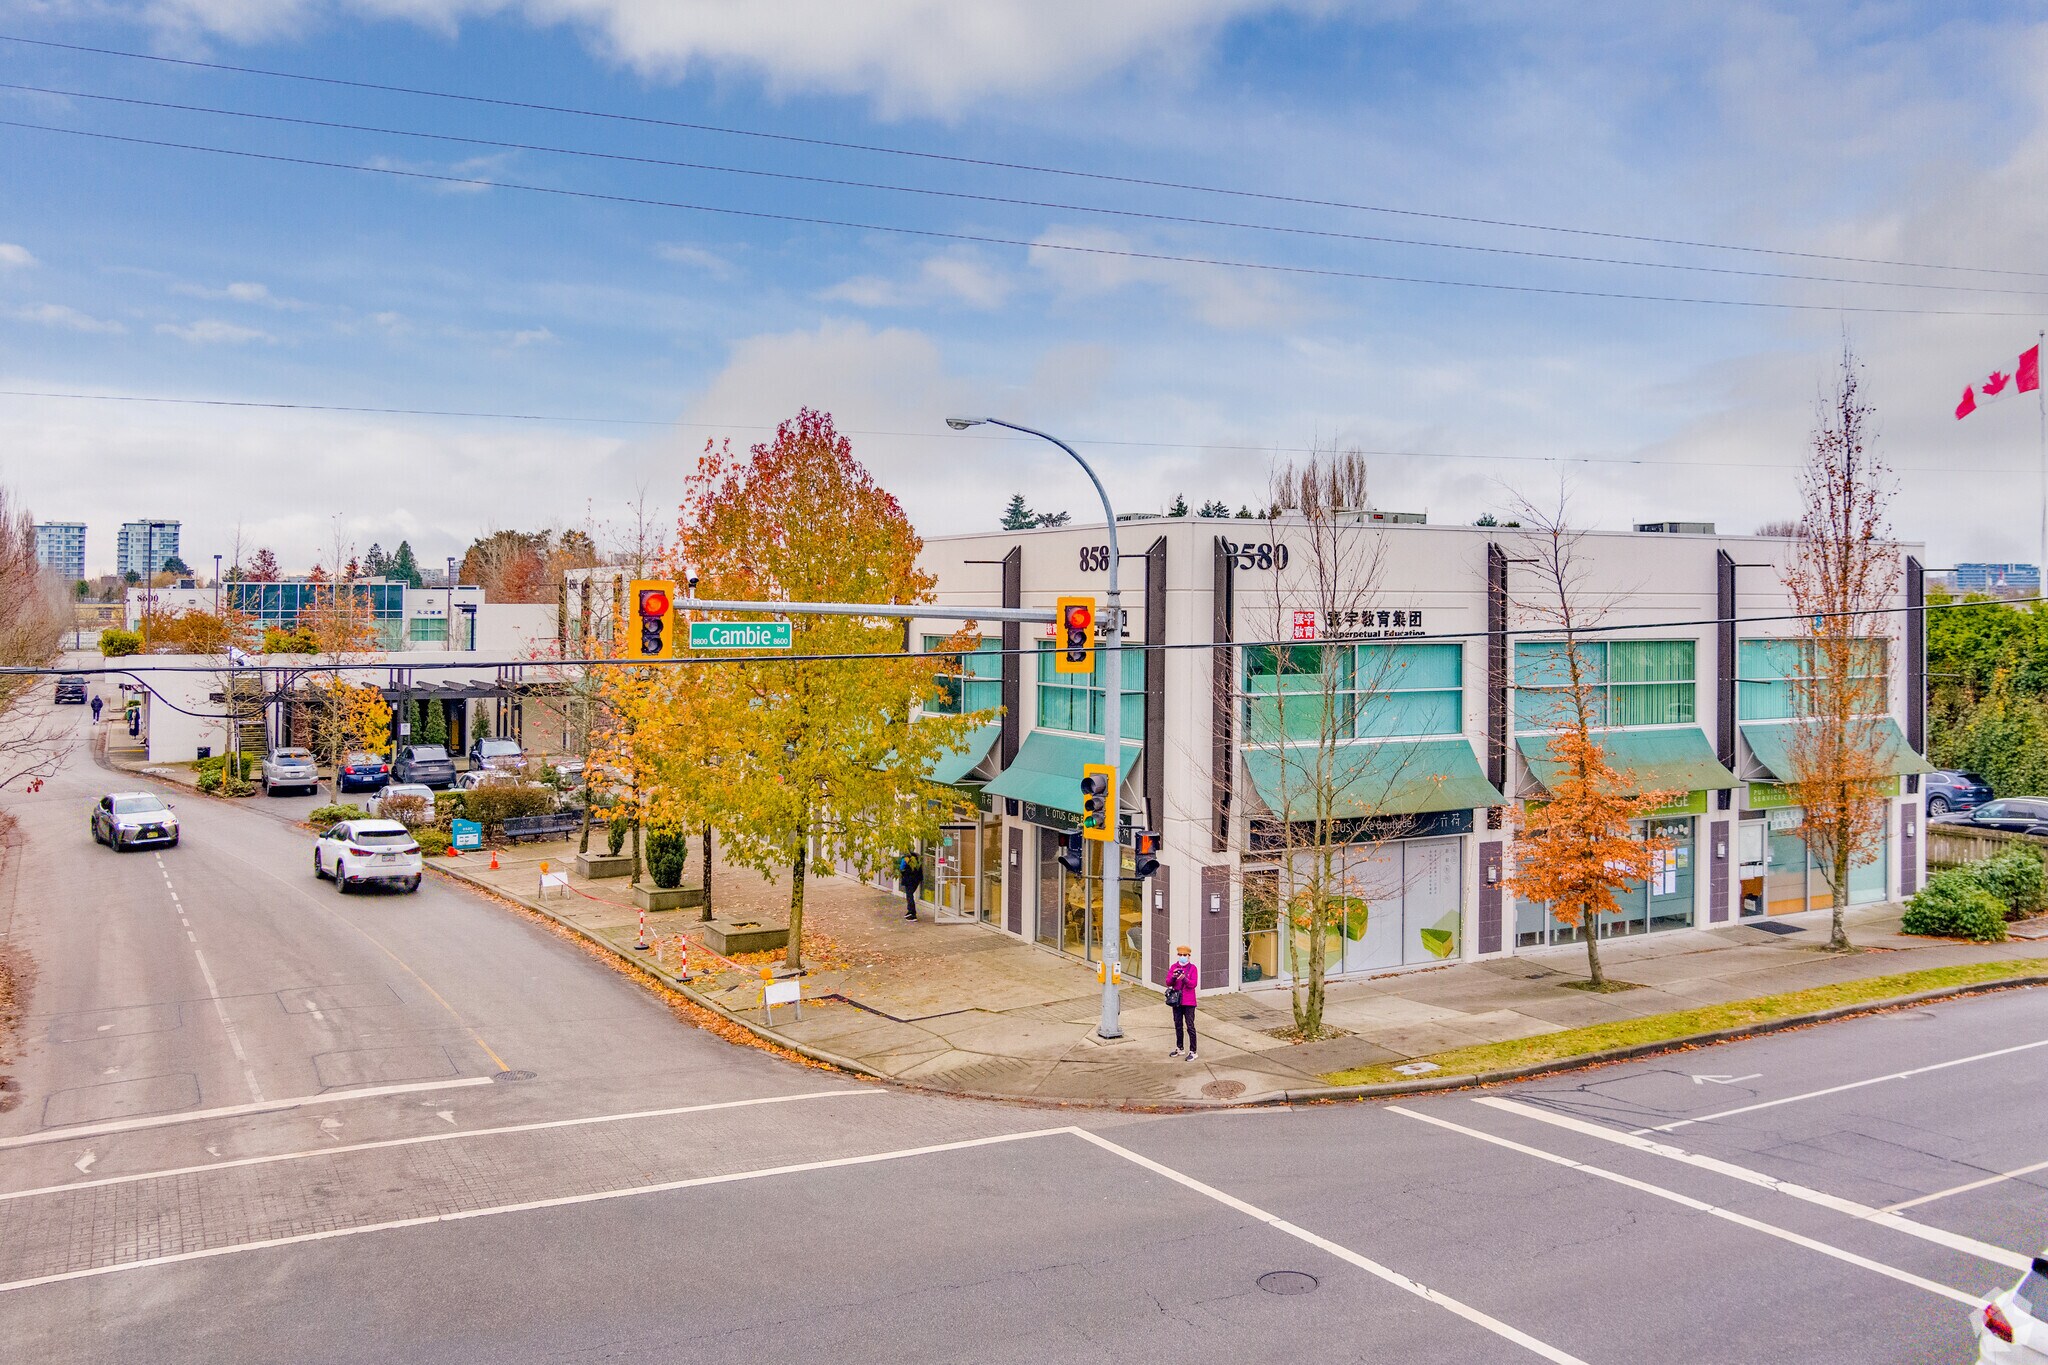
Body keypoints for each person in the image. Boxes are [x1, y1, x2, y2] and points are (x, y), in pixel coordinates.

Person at [1165, 945, 1199, 1061]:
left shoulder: (1193, 968)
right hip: (1177, 1002)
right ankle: (1180, 1048)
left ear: (1189, 956)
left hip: (1189, 1002)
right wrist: (1174, 977)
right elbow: (1168, 982)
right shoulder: (1174, 967)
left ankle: (1193, 1051)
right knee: (1178, 1024)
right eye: (1180, 955)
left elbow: (1193, 984)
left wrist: (1184, 978)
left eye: (1185, 955)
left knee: (1190, 1026)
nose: (1183, 957)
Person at [897, 851, 923, 921]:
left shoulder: (905, 859)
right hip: (917, 879)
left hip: (909, 879)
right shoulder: (917, 857)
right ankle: (910, 911)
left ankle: (912, 914)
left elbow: (901, 868)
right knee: (910, 895)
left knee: (909, 896)